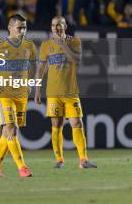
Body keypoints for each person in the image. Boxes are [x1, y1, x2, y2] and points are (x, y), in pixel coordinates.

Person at [34, 16, 97, 169]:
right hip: (53, 92)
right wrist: (37, 90)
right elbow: (40, 69)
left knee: (77, 123)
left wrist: (62, 45)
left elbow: (76, 59)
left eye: (59, 24)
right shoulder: (45, 45)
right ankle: (59, 160)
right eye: (53, 25)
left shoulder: (74, 41)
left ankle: (83, 159)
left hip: (70, 92)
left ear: (65, 26)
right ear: (51, 28)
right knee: (56, 124)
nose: (56, 27)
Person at [0, 14, 36, 178]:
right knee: (11, 129)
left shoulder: (29, 46)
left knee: (8, 132)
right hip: (4, 94)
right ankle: (22, 168)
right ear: (10, 28)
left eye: (25, 27)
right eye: (20, 28)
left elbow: (33, 66)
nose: (23, 31)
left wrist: (30, 82)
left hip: (21, 95)